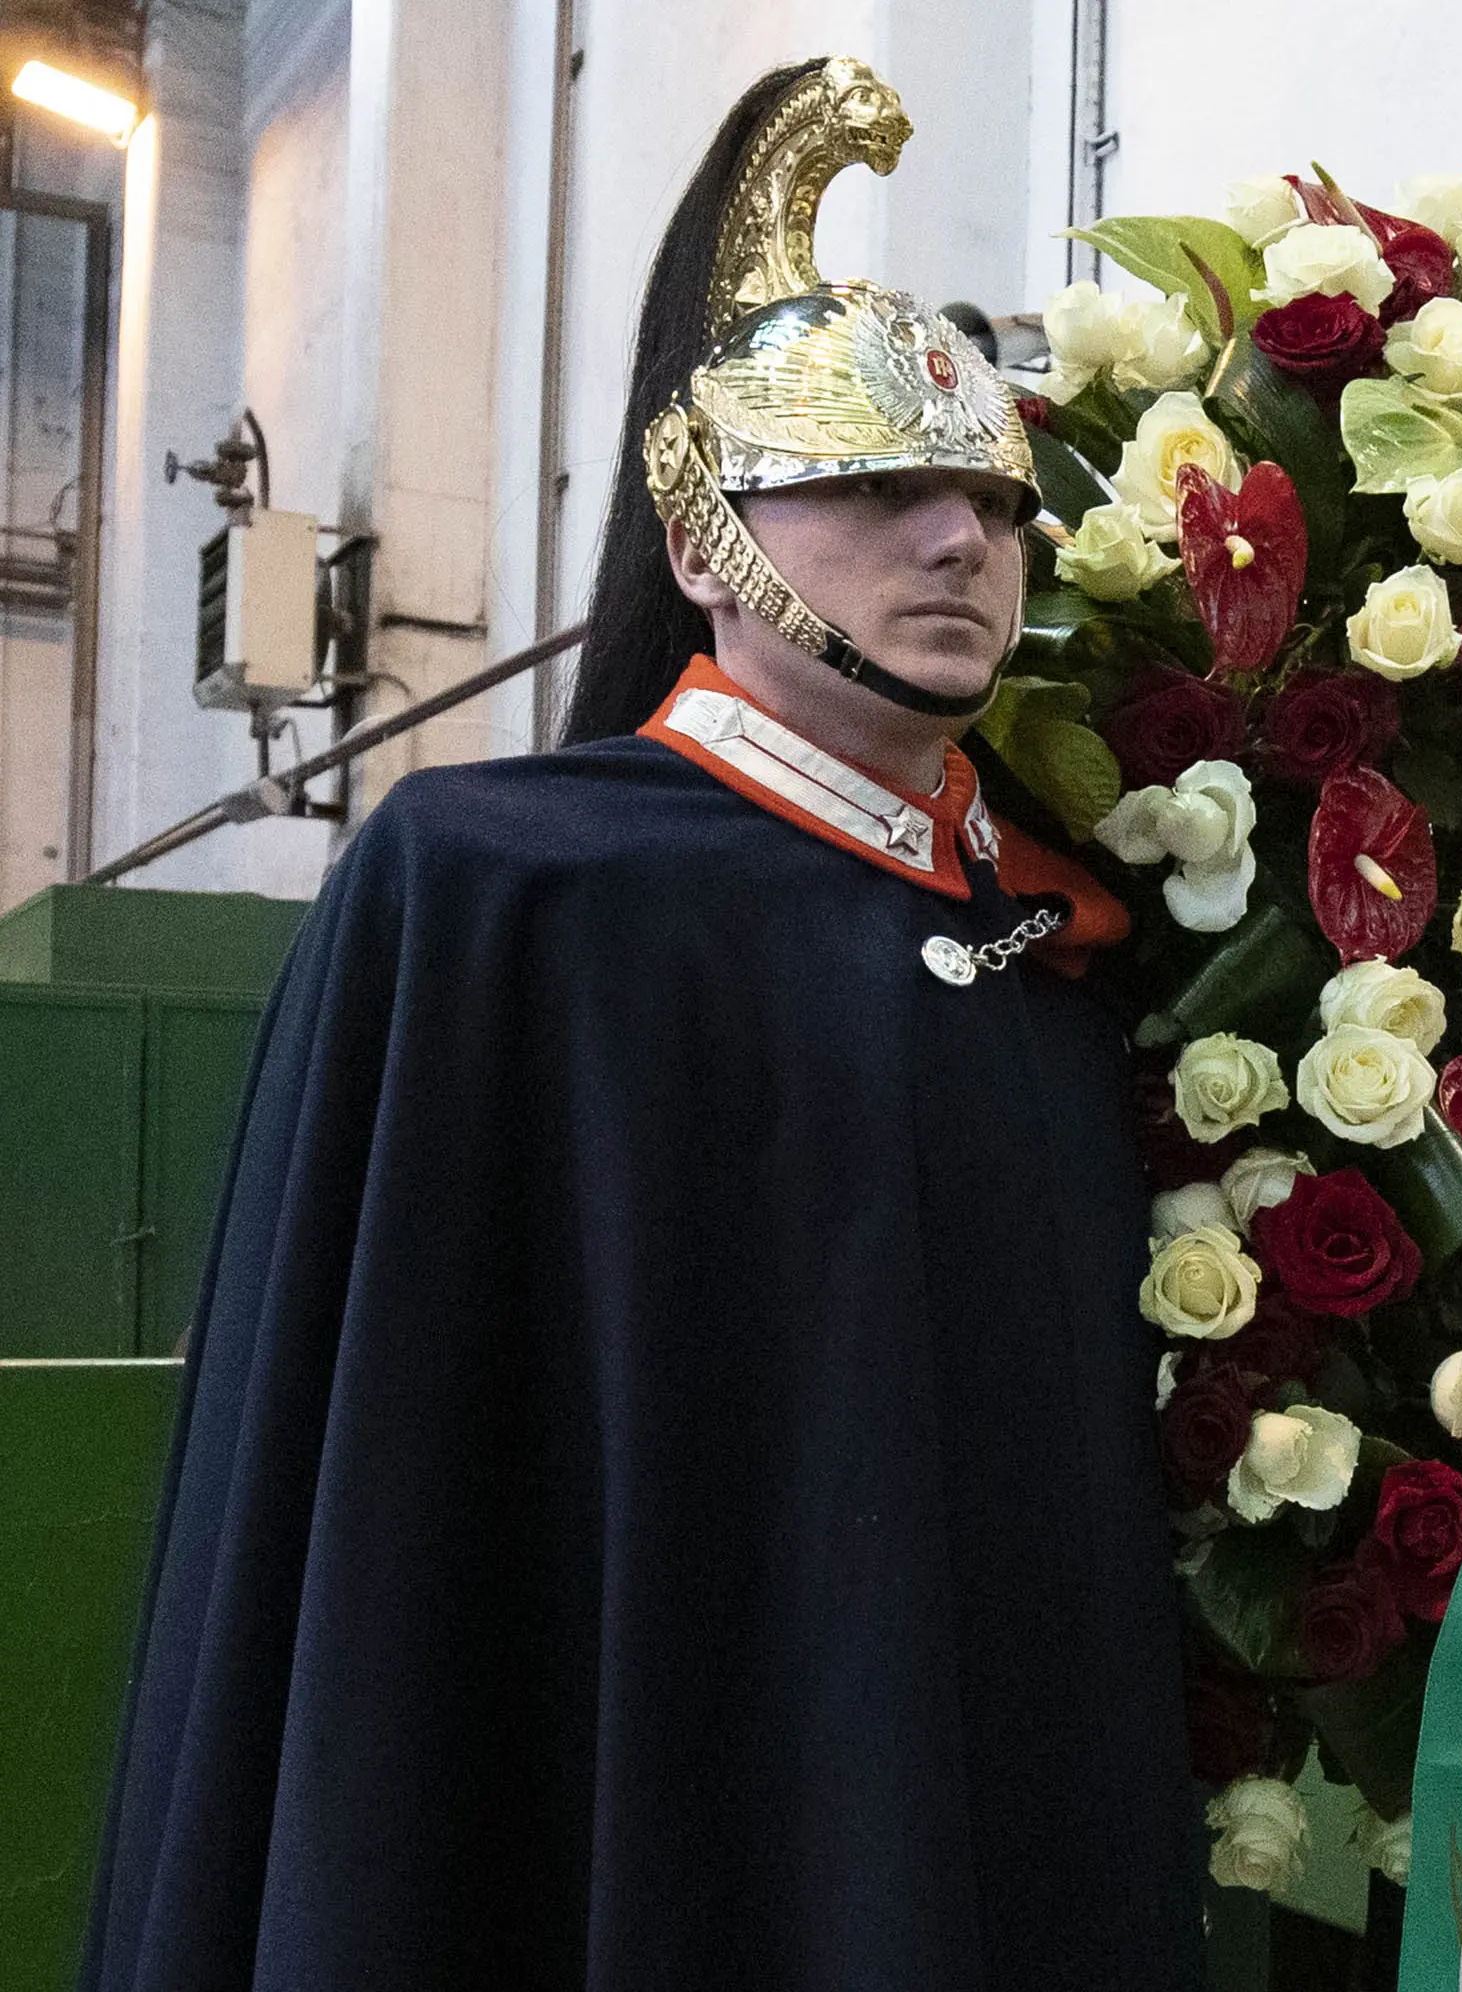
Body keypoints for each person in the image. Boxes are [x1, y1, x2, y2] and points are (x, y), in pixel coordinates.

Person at [80, 59, 1201, 1991]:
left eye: (993, 502)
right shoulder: (503, 891)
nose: (959, 540)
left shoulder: (1056, 950)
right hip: (610, 1802)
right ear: (702, 543)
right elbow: (394, 1504)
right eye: (876, 486)